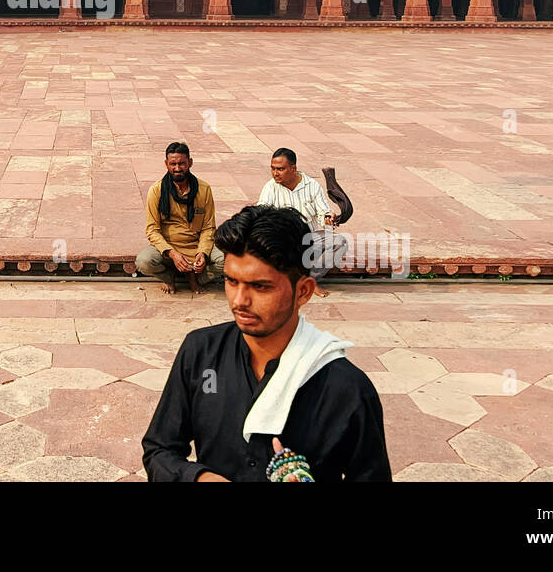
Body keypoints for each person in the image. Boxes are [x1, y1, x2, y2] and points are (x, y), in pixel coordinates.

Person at [142, 205, 391, 482]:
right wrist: (200, 478)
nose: (239, 301)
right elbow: (159, 450)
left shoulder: (346, 389)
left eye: (260, 286)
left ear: (303, 291)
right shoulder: (201, 352)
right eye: (231, 281)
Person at [136, 142, 222, 295]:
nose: (177, 168)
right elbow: (152, 230)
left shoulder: (204, 189)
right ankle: (169, 277)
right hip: (169, 246)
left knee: (228, 261)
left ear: (190, 163)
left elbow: (209, 227)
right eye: (173, 164)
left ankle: (198, 277)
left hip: (196, 243)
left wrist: (202, 252)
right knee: (144, 262)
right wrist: (172, 254)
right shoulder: (156, 190)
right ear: (166, 164)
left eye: (181, 163)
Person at [260, 147, 344, 296]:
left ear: (293, 168)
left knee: (340, 242)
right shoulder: (270, 188)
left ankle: (310, 280)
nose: (275, 173)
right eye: (272, 169)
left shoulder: (312, 186)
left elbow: (322, 214)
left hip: (308, 240)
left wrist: (328, 218)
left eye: (280, 169)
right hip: (283, 245)